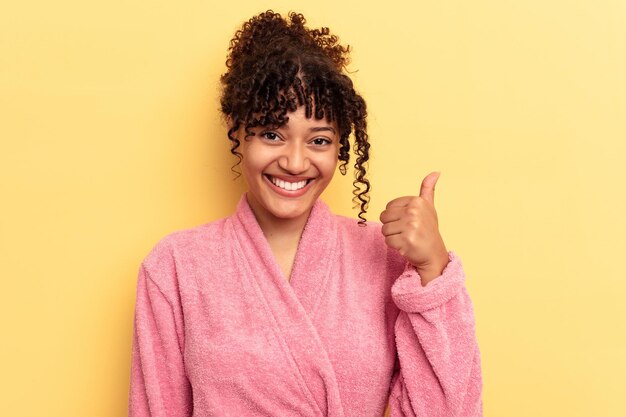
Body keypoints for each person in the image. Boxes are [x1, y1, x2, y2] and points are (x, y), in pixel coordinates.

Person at [128, 10, 482, 417]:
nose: (295, 162)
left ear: (340, 145)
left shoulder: (384, 257)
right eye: (272, 134)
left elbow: (448, 410)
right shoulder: (175, 266)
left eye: (318, 139)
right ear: (236, 127)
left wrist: (433, 272)